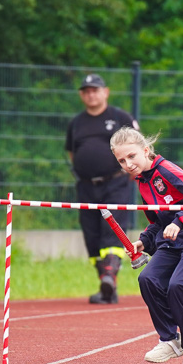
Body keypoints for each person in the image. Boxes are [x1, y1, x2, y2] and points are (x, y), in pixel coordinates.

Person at [109, 127, 183, 364]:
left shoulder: (166, 170)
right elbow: (156, 222)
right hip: (172, 243)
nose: (127, 164)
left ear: (146, 151)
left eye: (131, 156)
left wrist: (179, 221)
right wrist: (145, 241)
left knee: (178, 286)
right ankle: (170, 340)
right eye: (121, 160)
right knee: (148, 279)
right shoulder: (143, 183)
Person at [65, 74, 140, 304]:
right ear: (81, 95)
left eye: (95, 90)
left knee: (113, 230)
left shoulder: (120, 117)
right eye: (86, 91)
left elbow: (139, 146)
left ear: (105, 92)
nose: (91, 94)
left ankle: (109, 276)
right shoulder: (76, 122)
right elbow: (71, 152)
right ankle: (107, 284)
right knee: (92, 236)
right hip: (86, 186)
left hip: (116, 183)